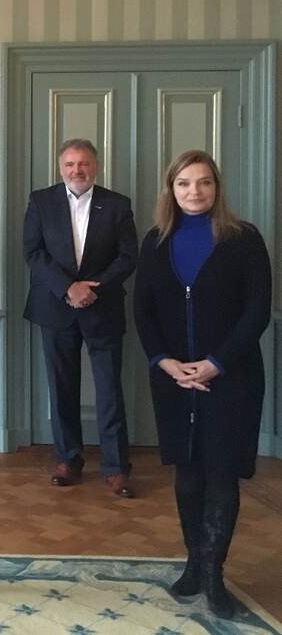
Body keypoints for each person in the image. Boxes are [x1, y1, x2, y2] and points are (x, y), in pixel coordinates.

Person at [134, 150, 272, 619]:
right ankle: (194, 564)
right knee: (188, 473)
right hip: (174, 379)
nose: (194, 191)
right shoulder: (155, 241)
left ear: (217, 187)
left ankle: (214, 575)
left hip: (231, 377)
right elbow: (143, 310)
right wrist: (165, 362)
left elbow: (257, 310)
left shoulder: (244, 239)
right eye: (184, 183)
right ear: (171, 190)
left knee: (221, 472)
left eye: (204, 182)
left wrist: (217, 362)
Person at [23, 138, 138, 496]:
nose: (77, 170)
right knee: (61, 389)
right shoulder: (41, 201)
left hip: (102, 308)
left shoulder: (118, 205)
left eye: (84, 163)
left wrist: (93, 288)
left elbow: (128, 257)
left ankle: (116, 467)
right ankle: (68, 460)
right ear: (61, 168)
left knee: (109, 391)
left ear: (96, 166)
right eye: (70, 164)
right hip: (55, 308)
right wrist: (67, 288)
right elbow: (33, 252)